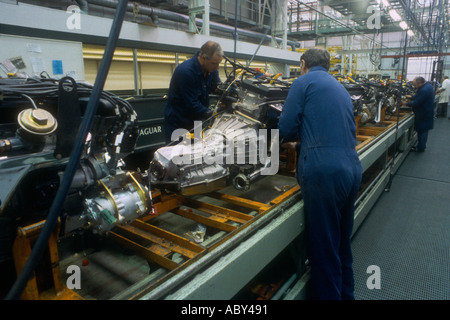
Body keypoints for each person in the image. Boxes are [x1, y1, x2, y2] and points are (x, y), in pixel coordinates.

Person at [279, 48, 362, 300]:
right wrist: (302, 146)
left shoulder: (303, 82)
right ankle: (347, 295)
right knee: (340, 243)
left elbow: (287, 126)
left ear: (303, 64)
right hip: (350, 166)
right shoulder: (340, 87)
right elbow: (336, 134)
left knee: (323, 248)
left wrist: (287, 139)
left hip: (324, 173)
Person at [164, 41, 223, 144]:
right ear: (203, 58)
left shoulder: (211, 70)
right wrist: (212, 114)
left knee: (196, 153)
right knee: (178, 155)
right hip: (179, 122)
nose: (217, 66)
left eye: (219, 63)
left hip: (196, 120)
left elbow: (217, 87)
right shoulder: (186, 72)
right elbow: (192, 103)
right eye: (215, 63)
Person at [403, 76, 435, 152]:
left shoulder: (424, 90)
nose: (414, 87)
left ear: (420, 83)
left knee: (422, 131)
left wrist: (406, 103)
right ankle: (421, 146)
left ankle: (420, 148)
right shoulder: (427, 86)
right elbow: (420, 96)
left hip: (424, 113)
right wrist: (412, 96)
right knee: (423, 131)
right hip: (425, 112)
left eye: (415, 85)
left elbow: (417, 102)